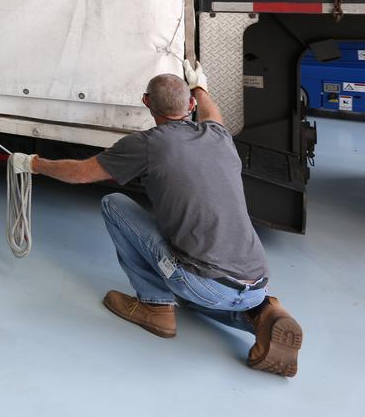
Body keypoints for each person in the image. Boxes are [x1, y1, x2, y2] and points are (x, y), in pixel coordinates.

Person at [15, 61, 303, 377]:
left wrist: (34, 164)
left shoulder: (146, 145)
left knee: (115, 204)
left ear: (146, 102)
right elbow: (212, 113)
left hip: (205, 283)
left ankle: (156, 307)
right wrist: (200, 86)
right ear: (190, 105)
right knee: (202, 293)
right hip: (257, 281)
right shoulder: (218, 135)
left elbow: (81, 174)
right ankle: (263, 314)